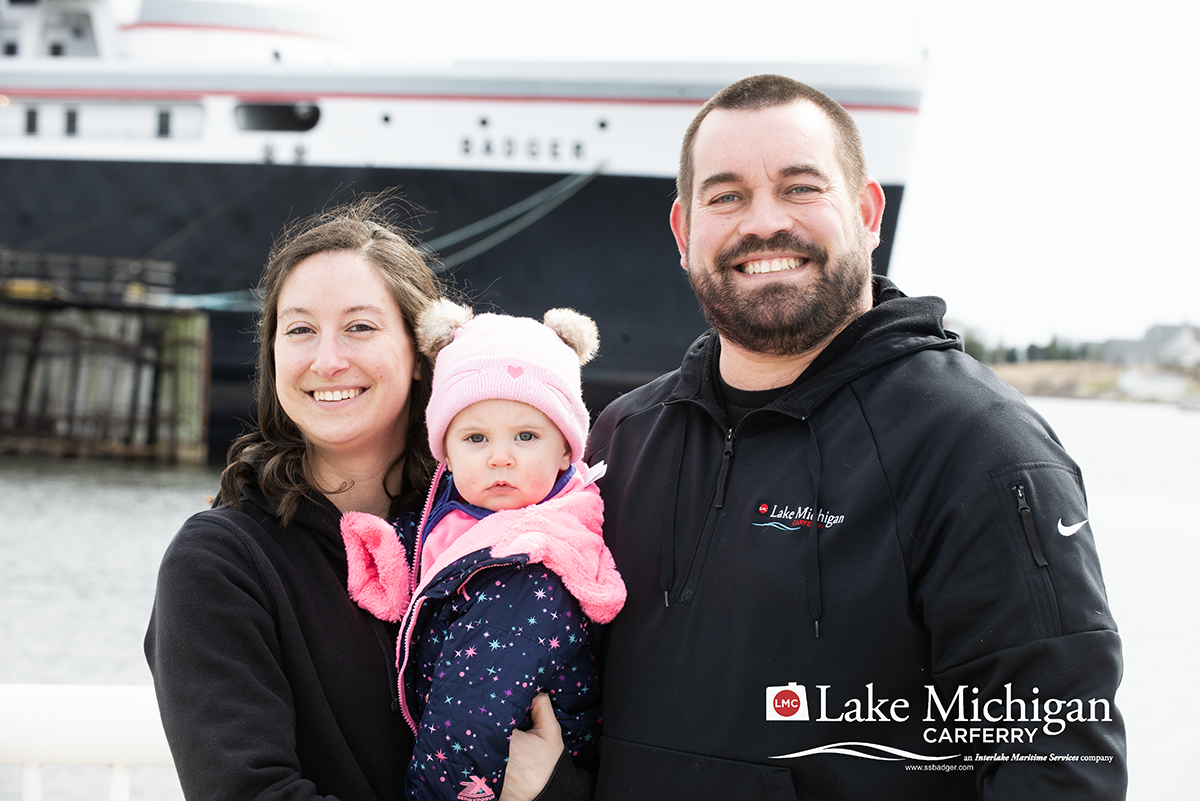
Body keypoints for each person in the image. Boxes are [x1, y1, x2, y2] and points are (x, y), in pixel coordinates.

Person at [584, 75, 1127, 799]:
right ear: (685, 234)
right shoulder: (620, 440)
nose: (763, 222)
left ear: (867, 213)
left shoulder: (978, 446)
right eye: (727, 196)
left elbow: (1056, 767)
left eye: (801, 187)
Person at [144, 195, 579, 801]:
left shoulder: (525, 534)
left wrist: (553, 787)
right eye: (300, 330)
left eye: (360, 327)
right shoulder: (221, 564)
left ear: (422, 355)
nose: (328, 361)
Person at [340, 300, 625, 801]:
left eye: (526, 435)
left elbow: (470, 723)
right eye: (476, 437)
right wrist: (392, 548)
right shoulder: (463, 524)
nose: (500, 457)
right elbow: (443, 546)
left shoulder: (528, 569)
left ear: (566, 449)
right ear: (446, 453)